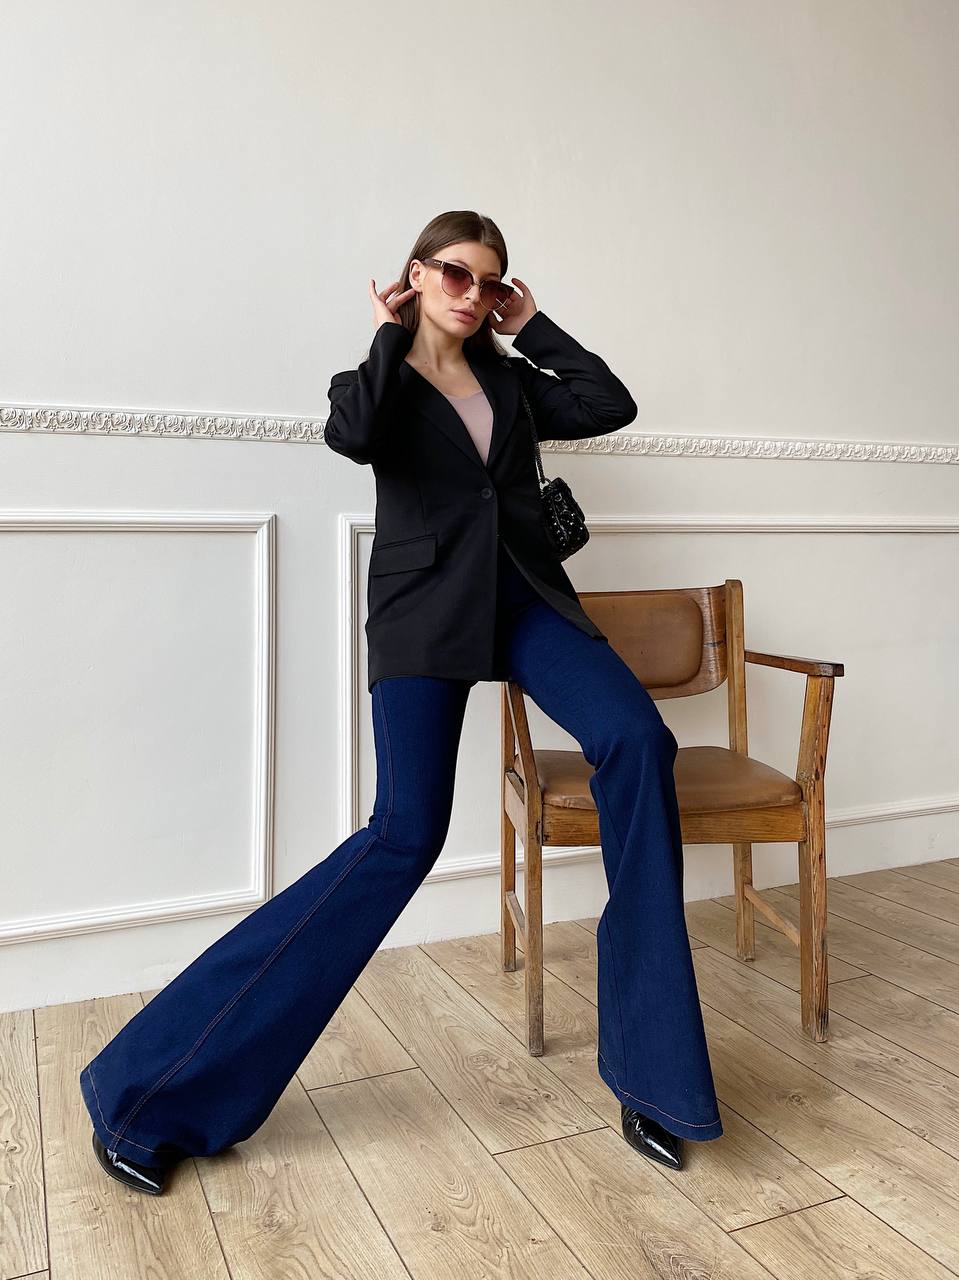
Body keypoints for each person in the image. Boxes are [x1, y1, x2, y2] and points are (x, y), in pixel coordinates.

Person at [80, 210, 723, 1197]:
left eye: (489, 279)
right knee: (402, 833)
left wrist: (533, 323)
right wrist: (388, 332)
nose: (471, 292)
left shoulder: (510, 379)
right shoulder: (375, 378)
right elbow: (353, 433)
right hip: (424, 616)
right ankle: (147, 1087)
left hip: (524, 604)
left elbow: (607, 402)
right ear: (416, 274)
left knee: (637, 738)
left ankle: (656, 1077)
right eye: (455, 274)